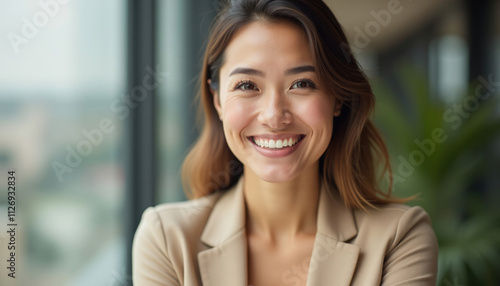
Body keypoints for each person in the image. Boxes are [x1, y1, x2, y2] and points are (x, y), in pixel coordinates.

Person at [132, 0, 439, 285]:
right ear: (218, 101)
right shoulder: (167, 239)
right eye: (248, 85)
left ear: (337, 98)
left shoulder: (398, 238)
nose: (274, 115)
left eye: (302, 84)